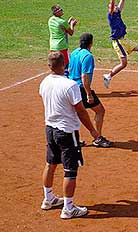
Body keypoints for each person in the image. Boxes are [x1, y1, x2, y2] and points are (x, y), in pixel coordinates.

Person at [39, 51, 101, 219]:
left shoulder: (44, 82)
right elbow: (81, 111)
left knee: (50, 164)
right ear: (64, 64)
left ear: (49, 66)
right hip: (66, 132)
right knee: (70, 170)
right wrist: (93, 131)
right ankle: (68, 208)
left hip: (50, 129)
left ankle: (48, 198)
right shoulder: (70, 85)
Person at [69, 33, 112, 147]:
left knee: (73, 114)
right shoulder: (87, 56)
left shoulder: (74, 52)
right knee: (100, 110)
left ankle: (74, 140)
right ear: (91, 43)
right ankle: (97, 138)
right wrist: (89, 94)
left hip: (70, 88)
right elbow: (85, 77)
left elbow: (69, 69)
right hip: (81, 89)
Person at [48, 5, 78, 76]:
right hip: (62, 46)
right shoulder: (62, 21)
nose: (62, 10)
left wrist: (67, 23)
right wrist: (72, 24)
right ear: (57, 12)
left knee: (55, 65)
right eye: (60, 10)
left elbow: (61, 28)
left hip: (52, 46)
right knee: (65, 66)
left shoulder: (50, 20)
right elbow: (71, 32)